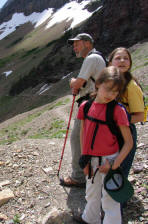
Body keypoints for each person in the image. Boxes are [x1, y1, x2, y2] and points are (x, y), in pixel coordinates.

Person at [74, 66, 133, 224]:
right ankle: (90, 219)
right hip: (91, 160)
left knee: (110, 200)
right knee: (91, 194)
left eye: (115, 92)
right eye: (108, 89)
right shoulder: (85, 106)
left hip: (110, 160)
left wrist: (114, 164)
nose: (111, 95)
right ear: (98, 84)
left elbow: (129, 142)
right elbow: (83, 134)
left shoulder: (118, 110)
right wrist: (84, 159)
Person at [60, 33, 106, 187]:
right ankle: (92, 171)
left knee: (76, 139)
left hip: (91, 105)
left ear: (87, 43)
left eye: (77, 44)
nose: (74, 47)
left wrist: (72, 82)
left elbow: (78, 83)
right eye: (73, 45)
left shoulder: (91, 58)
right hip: (98, 103)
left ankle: (78, 177)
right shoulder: (97, 58)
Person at [108, 47, 145, 178]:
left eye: (126, 58)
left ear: (130, 63)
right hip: (111, 131)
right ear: (110, 62)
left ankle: (118, 197)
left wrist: (118, 121)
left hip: (125, 133)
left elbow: (141, 115)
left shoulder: (131, 86)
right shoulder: (110, 83)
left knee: (119, 170)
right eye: (118, 58)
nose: (122, 61)